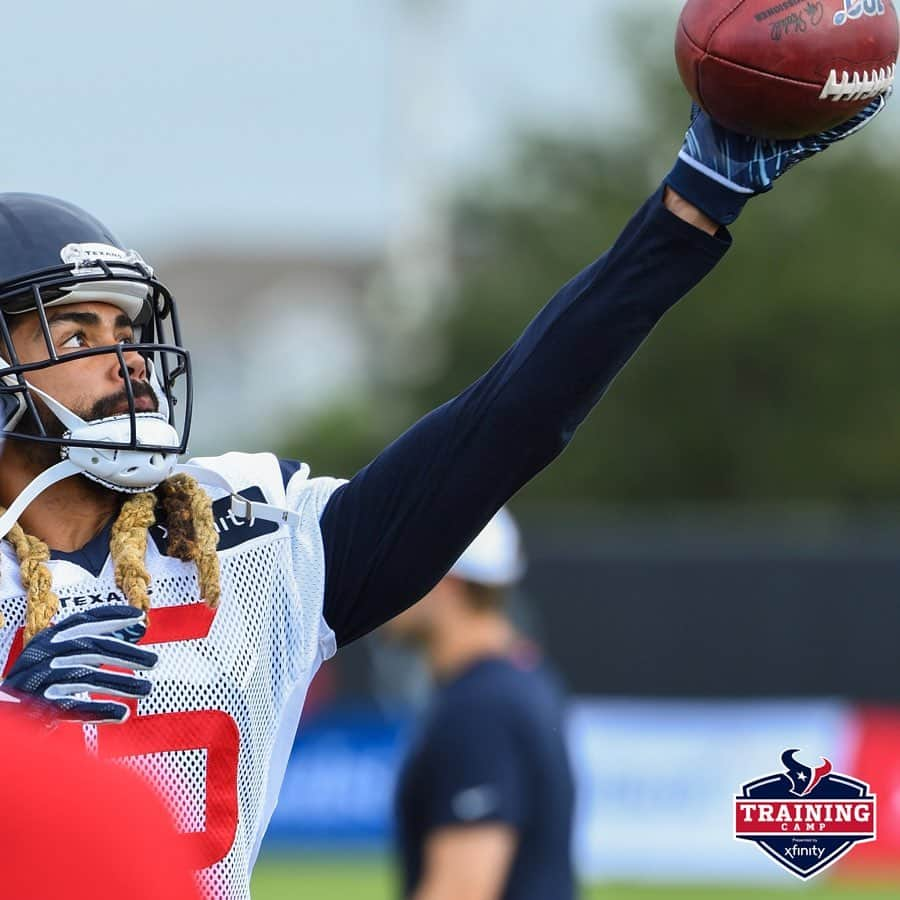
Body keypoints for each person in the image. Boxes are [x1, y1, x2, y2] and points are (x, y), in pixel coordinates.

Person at [0, 97, 887, 900]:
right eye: (76, 330)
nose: (125, 359)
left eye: (126, 327)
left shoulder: (245, 540)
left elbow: (508, 421)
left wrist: (690, 212)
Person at [385, 508, 575, 900]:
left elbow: (461, 891)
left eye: (396, 566)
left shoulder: (481, 709)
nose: (379, 586)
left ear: (446, 584)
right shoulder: (519, 682)